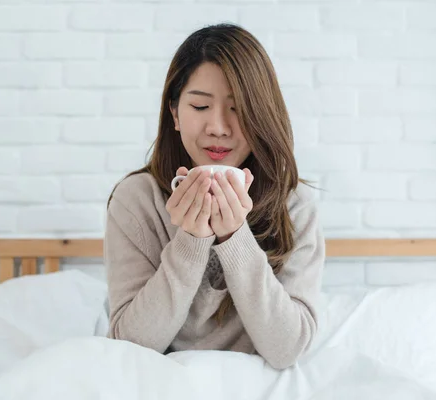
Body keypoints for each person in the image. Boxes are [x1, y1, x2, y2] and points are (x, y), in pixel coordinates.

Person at [104, 23, 325, 370]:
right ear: (175, 113)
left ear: (261, 115)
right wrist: (190, 241)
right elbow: (131, 346)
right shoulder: (136, 200)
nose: (218, 127)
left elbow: (288, 349)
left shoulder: (295, 206)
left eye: (237, 109)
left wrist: (235, 237)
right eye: (200, 107)